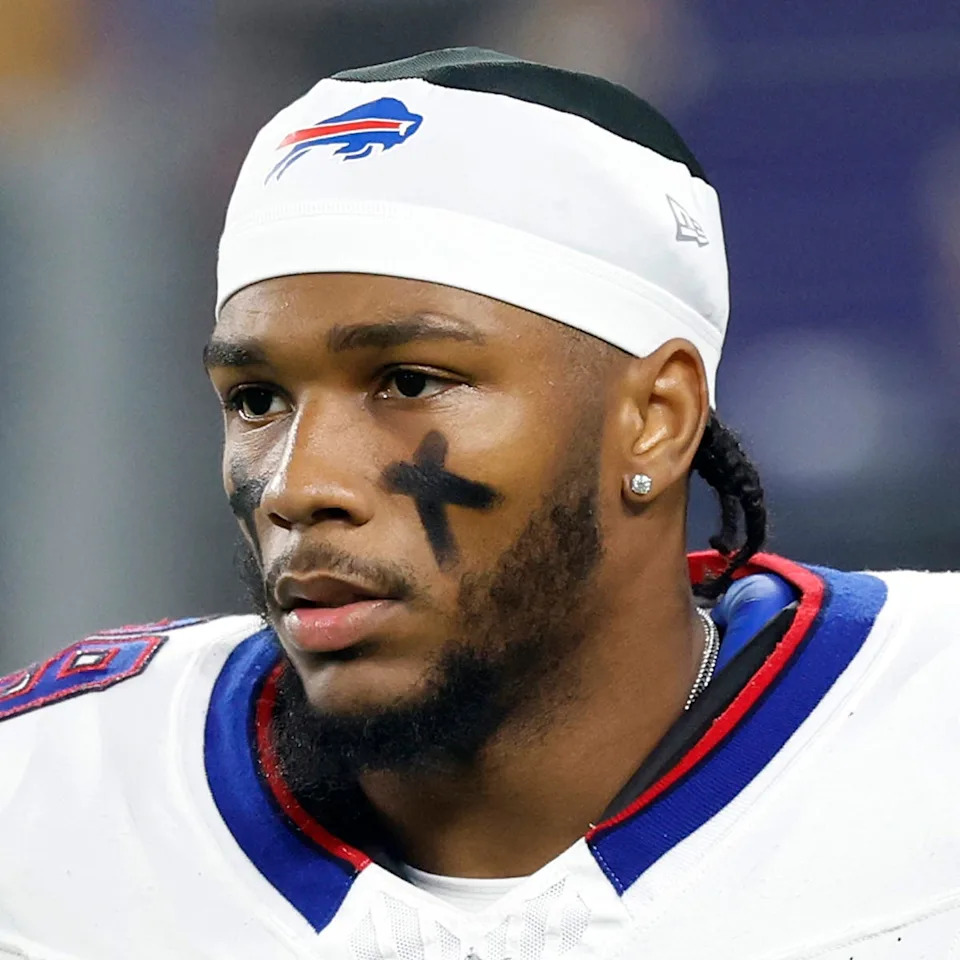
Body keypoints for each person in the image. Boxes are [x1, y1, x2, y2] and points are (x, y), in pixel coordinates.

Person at [0, 47, 956, 960]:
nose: (298, 486)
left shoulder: (924, 739)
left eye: (410, 382)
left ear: (656, 422)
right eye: (258, 400)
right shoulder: (49, 804)